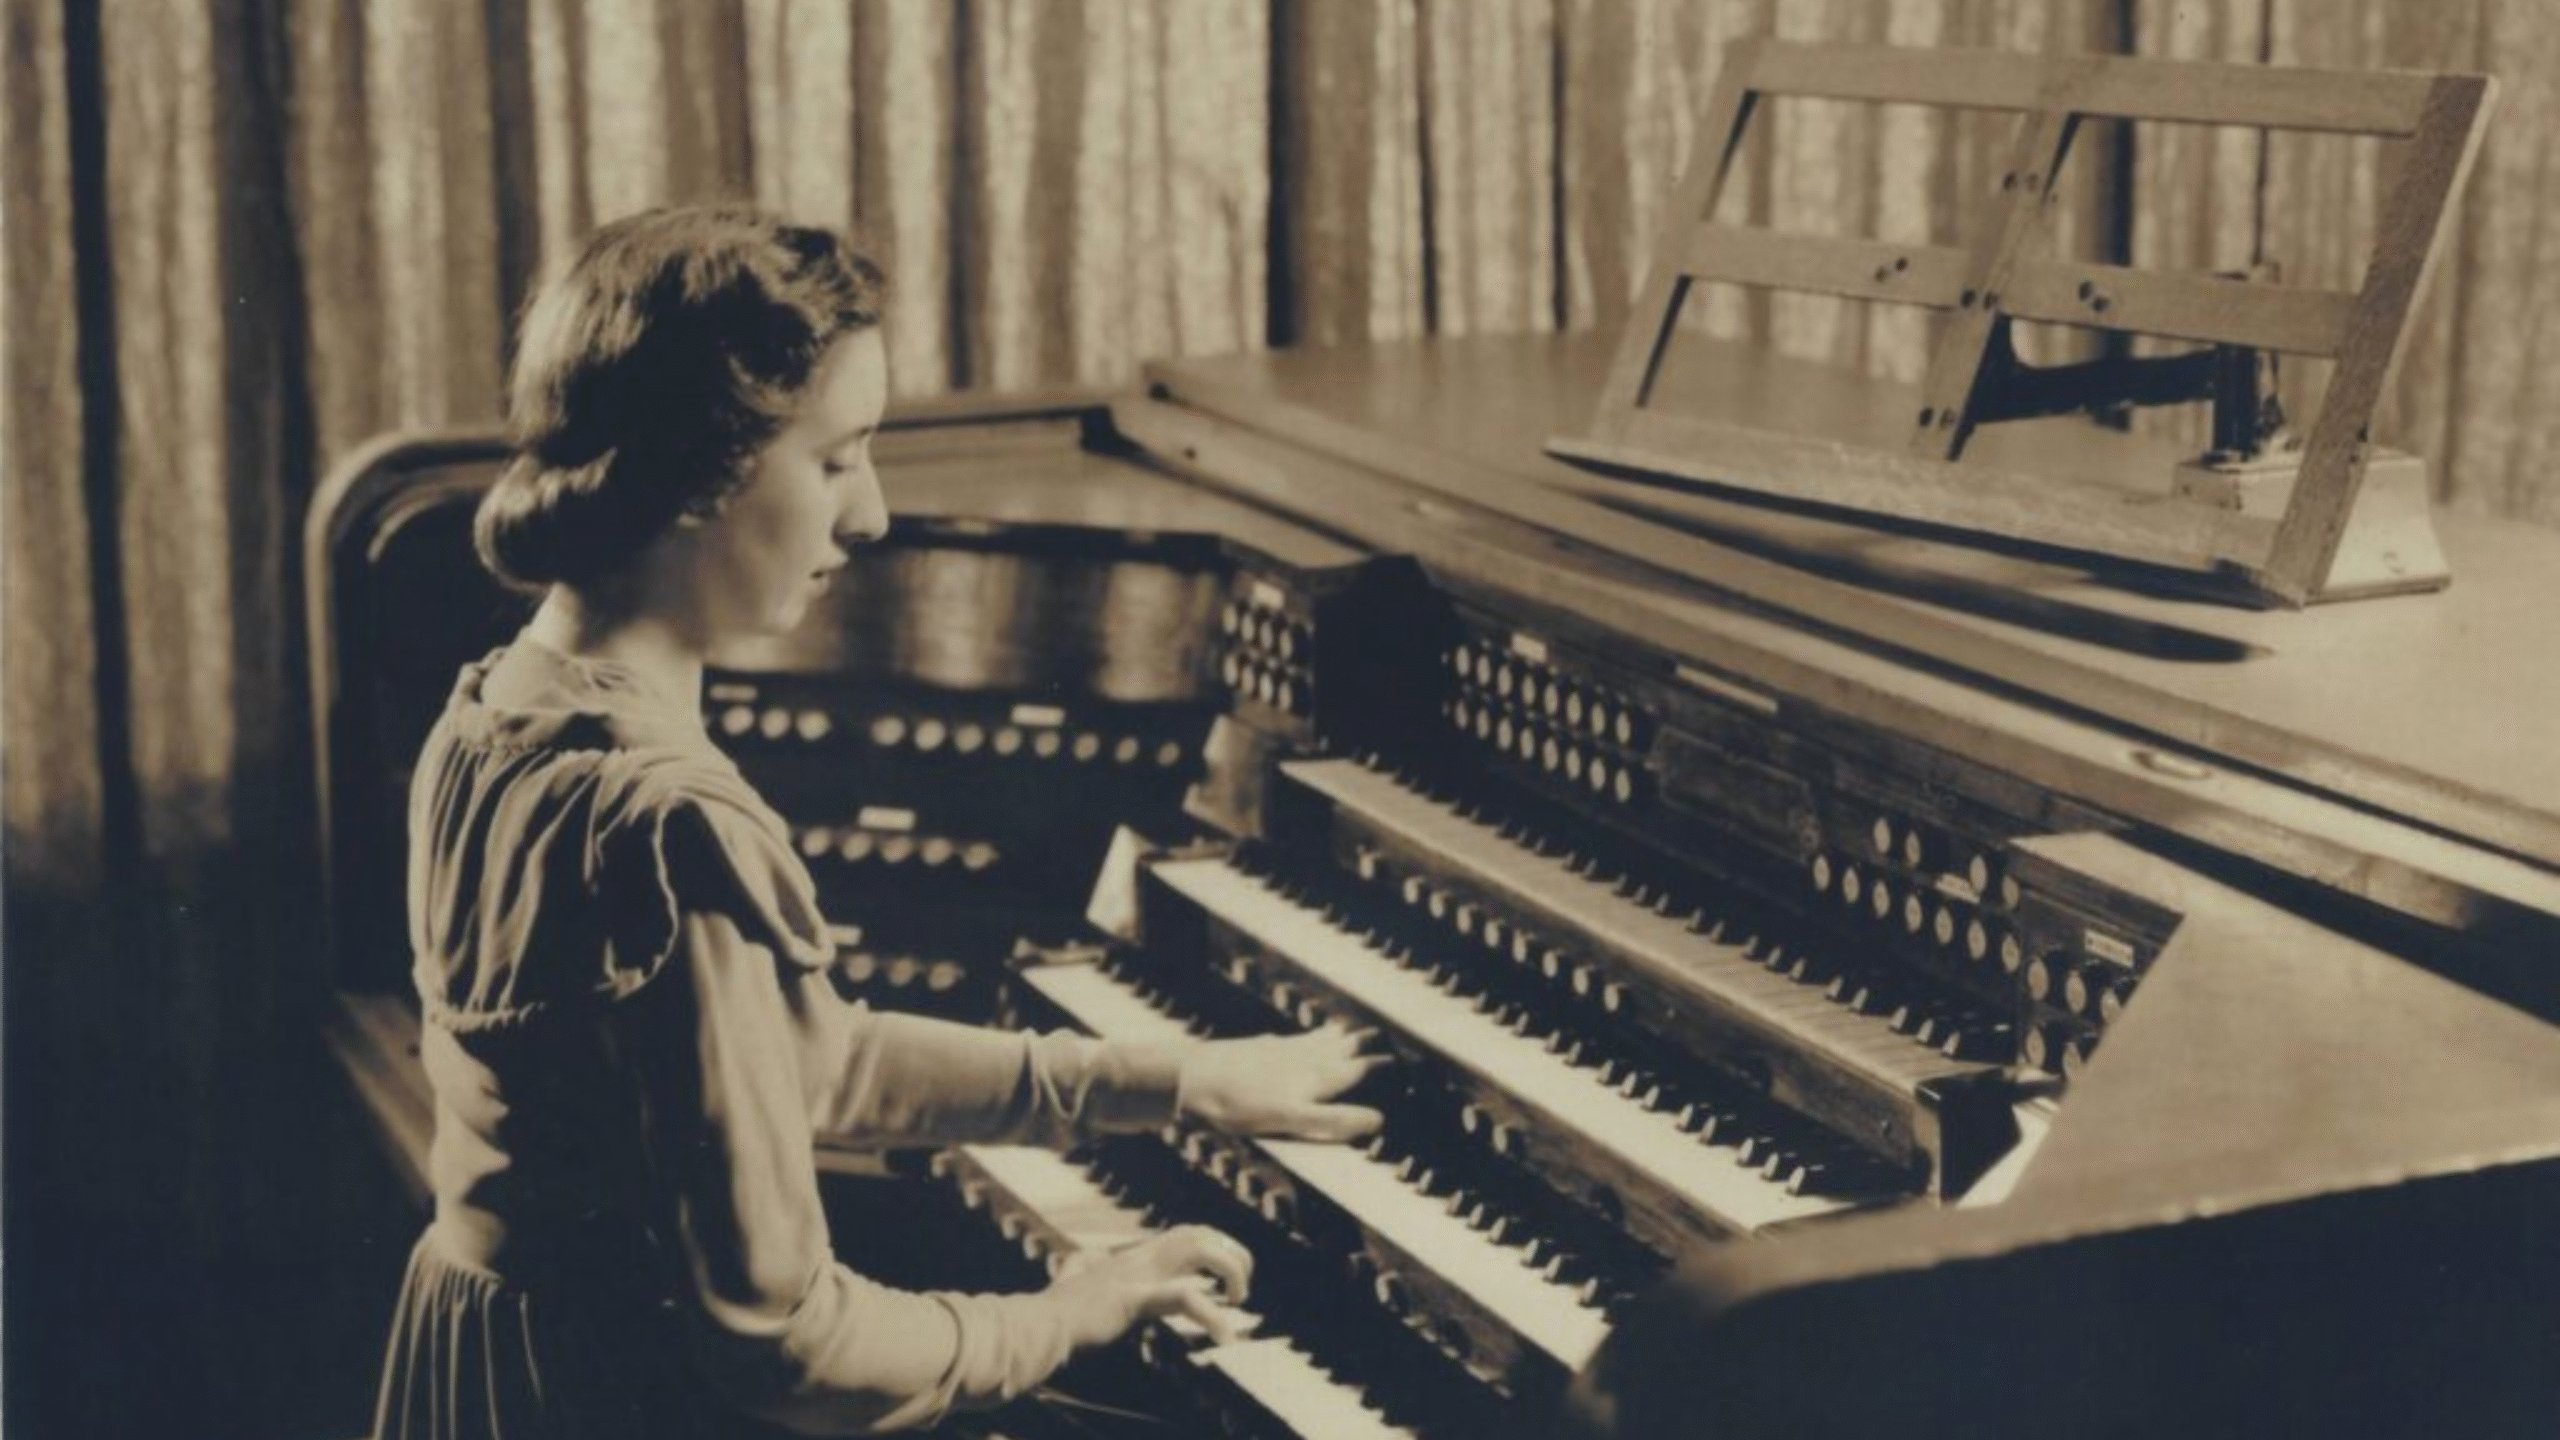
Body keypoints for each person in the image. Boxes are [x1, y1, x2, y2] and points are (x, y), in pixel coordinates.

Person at [373, 203, 1383, 1439]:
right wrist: (1070, 1308)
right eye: (840, 459)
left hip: (484, 1364)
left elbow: (813, 1059)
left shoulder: (491, 717)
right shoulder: (669, 828)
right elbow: (786, 1343)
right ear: (703, 473)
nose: (871, 516)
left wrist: (1173, 1080)